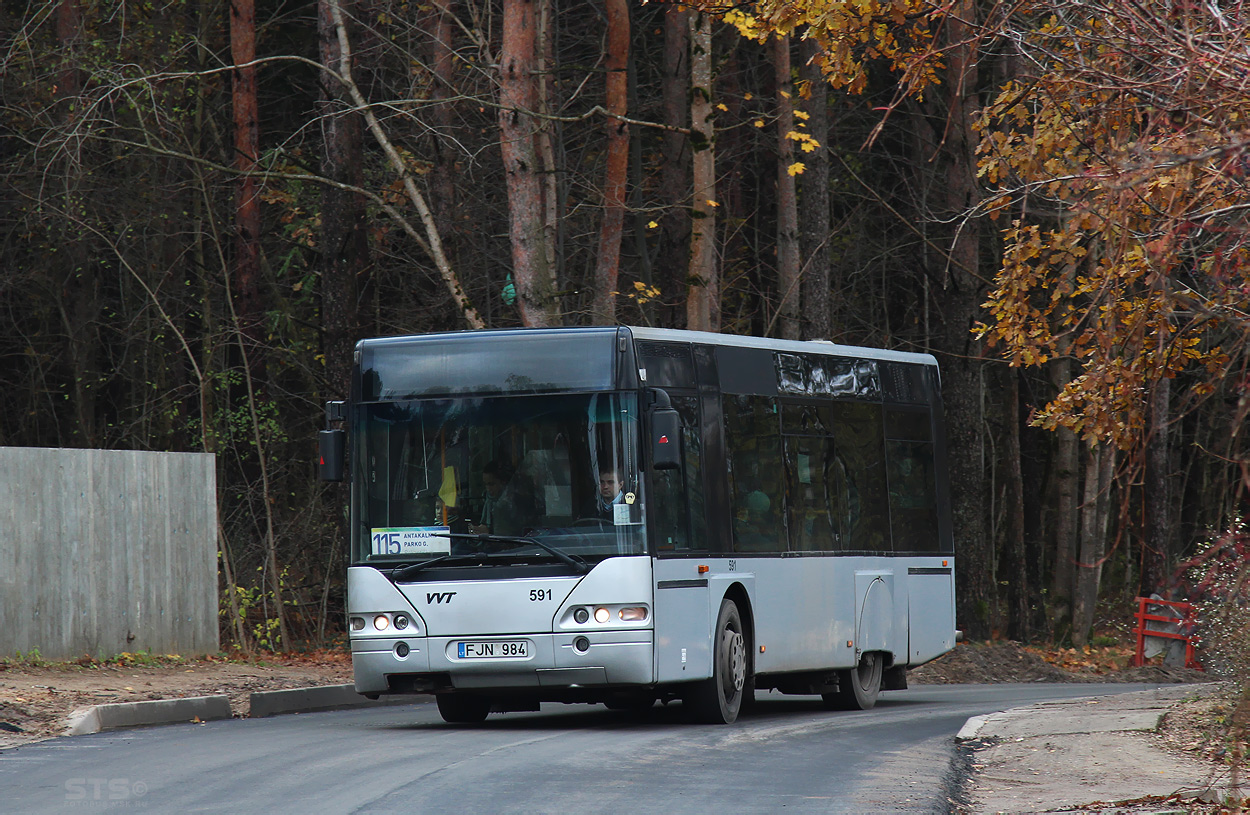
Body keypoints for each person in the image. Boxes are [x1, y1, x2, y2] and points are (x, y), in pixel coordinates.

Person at [471, 461, 525, 536]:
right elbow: (485, 526)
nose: (488, 489)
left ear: (504, 482)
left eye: (491, 484)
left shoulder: (513, 503)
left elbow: (505, 533)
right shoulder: (490, 500)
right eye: (486, 484)